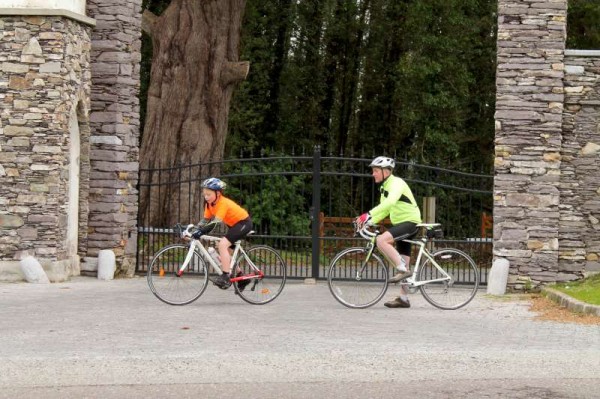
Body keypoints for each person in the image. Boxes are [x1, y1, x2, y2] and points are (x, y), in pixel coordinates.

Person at [355, 156, 422, 308]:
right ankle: (403, 299)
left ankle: (403, 270)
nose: (373, 174)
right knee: (403, 261)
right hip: (401, 223)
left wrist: (368, 214)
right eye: (373, 171)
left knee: (381, 240)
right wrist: (367, 221)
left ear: (386, 171)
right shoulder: (385, 188)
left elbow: (390, 202)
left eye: (376, 170)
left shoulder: (397, 183)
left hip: (410, 222)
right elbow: (385, 210)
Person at [191, 177, 253, 290]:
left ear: (218, 193)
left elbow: (215, 223)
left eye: (208, 194)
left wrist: (201, 231)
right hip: (234, 225)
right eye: (204, 194)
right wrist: (193, 229)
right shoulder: (209, 204)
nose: (206, 197)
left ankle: (226, 276)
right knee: (226, 256)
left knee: (222, 245)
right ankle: (242, 277)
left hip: (243, 223)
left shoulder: (223, 203)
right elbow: (205, 220)